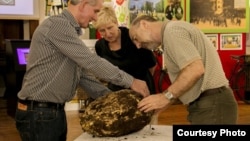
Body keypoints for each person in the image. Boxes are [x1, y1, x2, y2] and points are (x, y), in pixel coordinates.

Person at [15, 0, 150, 141]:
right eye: (96, 11)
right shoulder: (57, 26)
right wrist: (131, 81)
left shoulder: (67, 29)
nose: (96, 18)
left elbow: (81, 75)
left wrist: (113, 99)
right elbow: (91, 62)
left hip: (48, 113)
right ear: (84, 5)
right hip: (39, 113)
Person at [129, 15, 238, 124]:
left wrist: (165, 97)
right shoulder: (172, 32)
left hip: (212, 105)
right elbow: (188, 80)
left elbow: (195, 70)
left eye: (135, 38)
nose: (138, 46)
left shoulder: (172, 31)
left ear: (144, 24)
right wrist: (161, 105)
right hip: (209, 104)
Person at [93, 6, 157, 94]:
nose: (108, 34)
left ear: (116, 22)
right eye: (102, 30)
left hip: (142, 90)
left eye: (110, 28)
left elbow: (152, 64)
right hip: (116, 93)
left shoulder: (134, 37)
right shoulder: (100, 46)